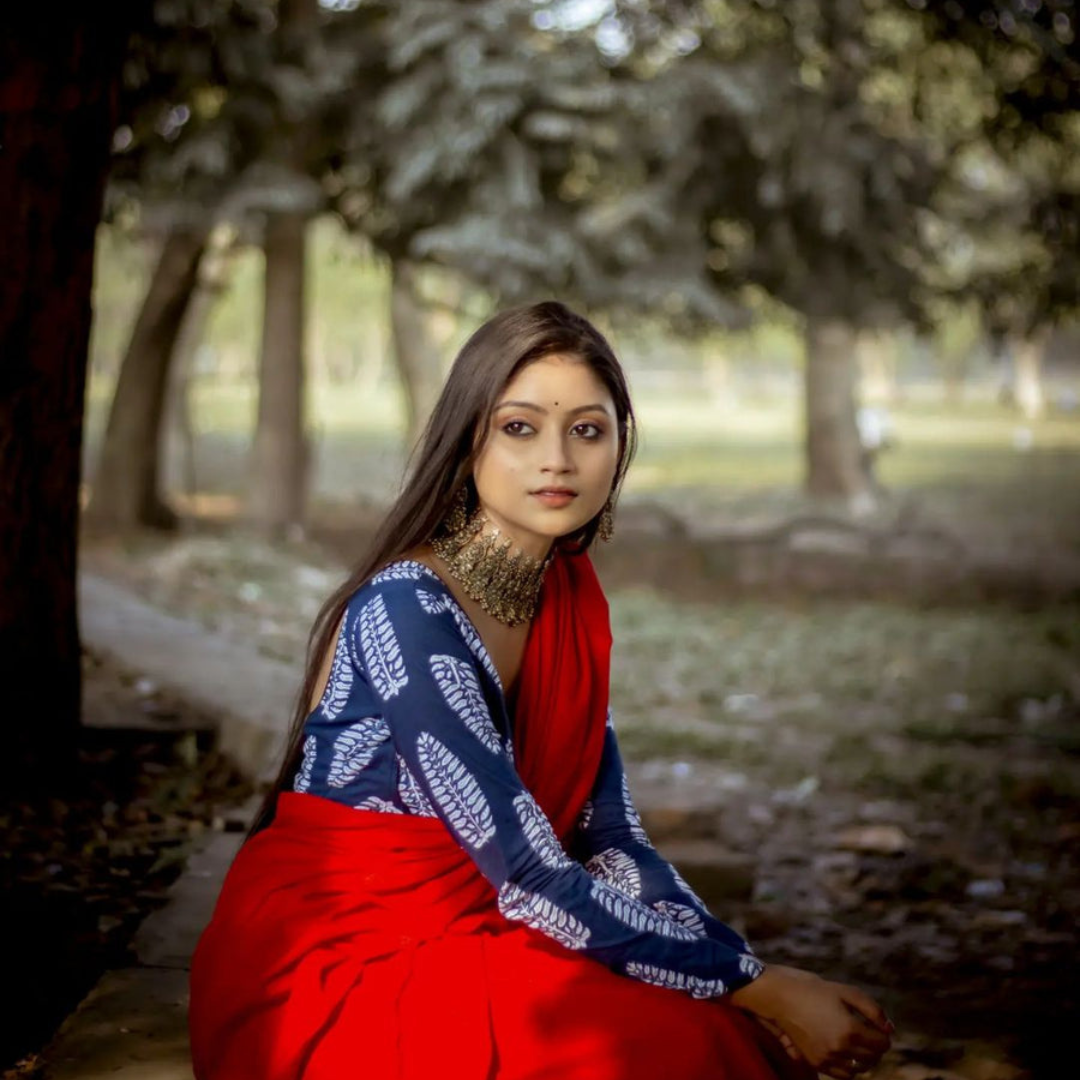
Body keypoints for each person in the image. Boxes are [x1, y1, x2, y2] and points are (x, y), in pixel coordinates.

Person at [189, 302, 893, 1080]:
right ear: (468, 443)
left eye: (586, 430)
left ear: (619, 447)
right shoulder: (407, 608)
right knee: (667, 1047)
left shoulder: (564, 596)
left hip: (486, 913)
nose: (556, 459)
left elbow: (611, 838)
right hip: (344, 950)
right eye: (519, 428)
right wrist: (760, 988)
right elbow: (529, 874)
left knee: (713, 1027)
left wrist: (738, 975)